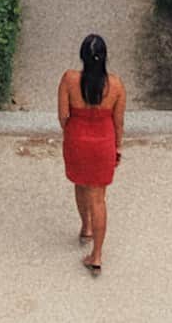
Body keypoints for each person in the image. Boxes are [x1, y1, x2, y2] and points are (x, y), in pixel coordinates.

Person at [58, 33, 125, 273]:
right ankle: (96, 255)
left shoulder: (68, 80)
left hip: (77, 140)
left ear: (82, 56)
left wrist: (73, 133)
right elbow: (118, 123)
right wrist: (117, 146)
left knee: (79, 184)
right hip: (103, 143)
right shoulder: (116, 85)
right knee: (99, 198)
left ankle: (85, 227)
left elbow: (63, 116)